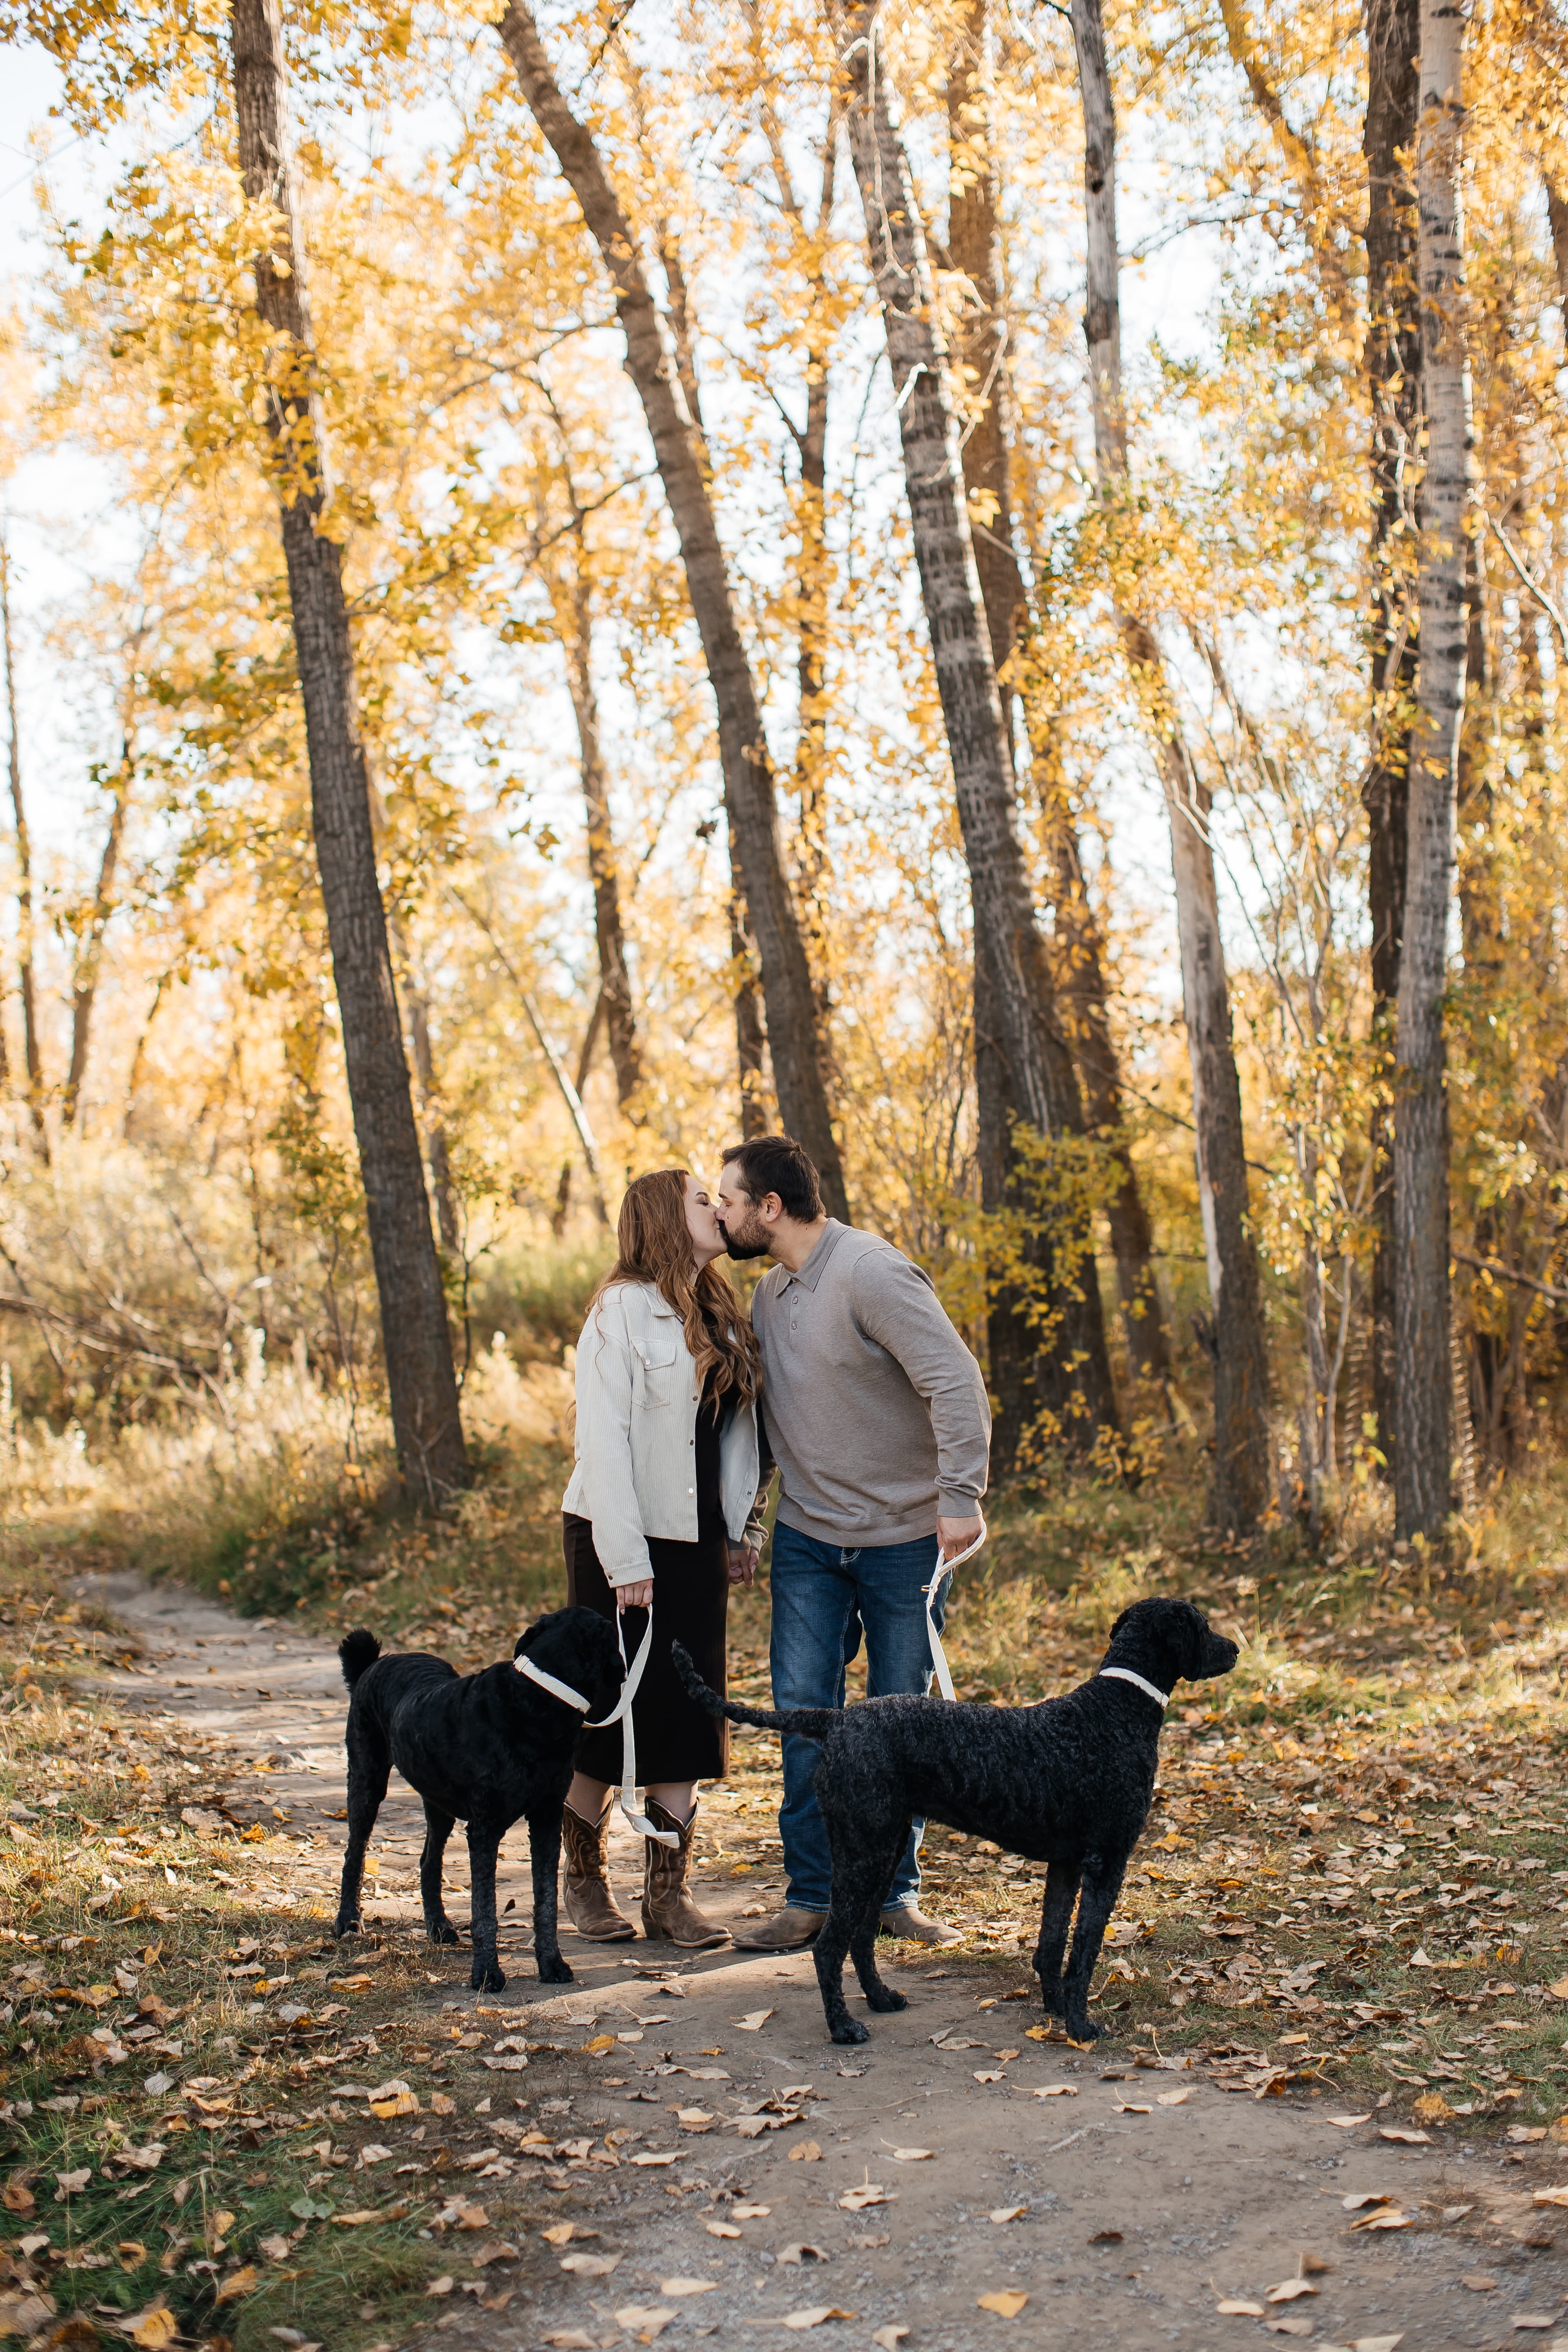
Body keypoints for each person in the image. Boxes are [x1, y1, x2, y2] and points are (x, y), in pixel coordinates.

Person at [716, 1134, 991, 1951]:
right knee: (806, 1720)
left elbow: (956, 1379)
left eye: (728, 1199)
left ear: (770, 1208)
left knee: (899, 1724)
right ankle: (810, 1894)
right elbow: (774, 1422)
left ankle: (894, 1895)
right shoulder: (769, 1296)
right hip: (809, 1543)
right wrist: (754, 1520)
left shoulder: (871, 1272)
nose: (722, 1213)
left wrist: (960, 1497)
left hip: (906, 1539)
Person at [560, 1168, 767, 1947]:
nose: (717, 1209)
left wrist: (743, 1530)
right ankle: (582, 1882)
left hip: (695, 1539)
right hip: (618, 1534)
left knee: (685, 1710)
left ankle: (667, 1896)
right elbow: (602, 1445)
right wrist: (625, 1558)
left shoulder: (723, 1311)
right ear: (661, 1218)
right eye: (700, 1200)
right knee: (606, 1709)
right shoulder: (619, 1311)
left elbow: (741, 1435)